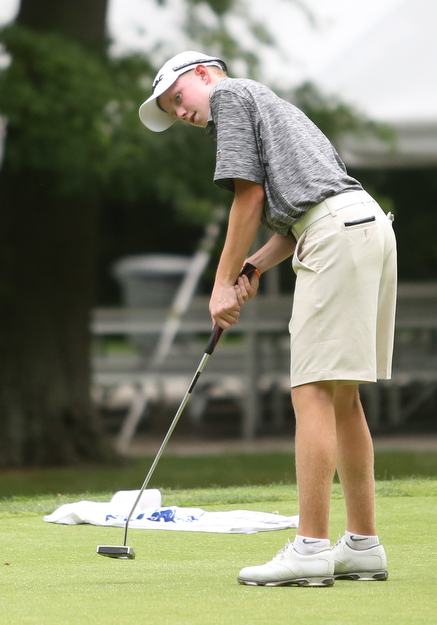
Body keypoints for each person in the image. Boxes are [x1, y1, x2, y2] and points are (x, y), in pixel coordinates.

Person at [139, 51, 396, 587]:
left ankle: (309, 549)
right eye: (170, 109)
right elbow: (300, 210)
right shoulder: (275, 106)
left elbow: (248, 198)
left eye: (177, 99)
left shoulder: (231, 97)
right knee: (341, 397)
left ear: (203, 75)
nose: (180, 113)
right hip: (365, 227)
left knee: (312, 393)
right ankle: (363, 546)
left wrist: (220, 283)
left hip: (335, 236)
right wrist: (251, 267)